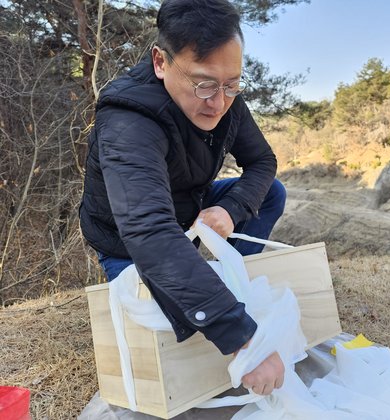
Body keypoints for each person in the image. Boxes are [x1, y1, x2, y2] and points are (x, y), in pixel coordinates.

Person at [79, 0, 285, 396]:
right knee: (161, 327)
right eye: (204, 84)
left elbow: (263, 161)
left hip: (189, 208)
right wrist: (244, 339)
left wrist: (230, 207)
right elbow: (148, 230)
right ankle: (220, 303)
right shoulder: (127, 118)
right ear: (160, 62)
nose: (219, 102)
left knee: (271, 194)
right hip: (127, 236)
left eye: (232, 85)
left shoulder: (226, 99)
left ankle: (229, 286)